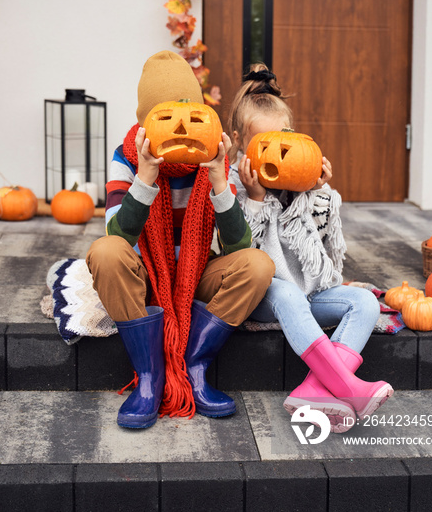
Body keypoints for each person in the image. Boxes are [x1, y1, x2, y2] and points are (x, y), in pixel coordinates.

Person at [86, 51, 274, 429]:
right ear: (144, 123)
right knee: (104, 252)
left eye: (190, 115)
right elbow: (118, 235)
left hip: (196, 275)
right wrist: (145, 178)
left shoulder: (211, 160)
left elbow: (238, 249)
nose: (181, 128)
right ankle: (151, 375)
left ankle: (194, 364)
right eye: (165, 118)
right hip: (145, 276)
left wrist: (220, 182)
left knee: (258, 264)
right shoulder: (125, 157)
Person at [227, 64, 393, 433]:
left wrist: (316, 192)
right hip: (264, 295)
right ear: (240, 141)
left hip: (307, 294)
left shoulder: (304, 188)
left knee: (363, 301)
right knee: (285, 292)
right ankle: (349, 386)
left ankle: (315, 389)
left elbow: (321, 248)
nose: (282, 153)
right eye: (266, 144)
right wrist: (254, 199)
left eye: (286, 139)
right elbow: (240, 255)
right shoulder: (231, 188)